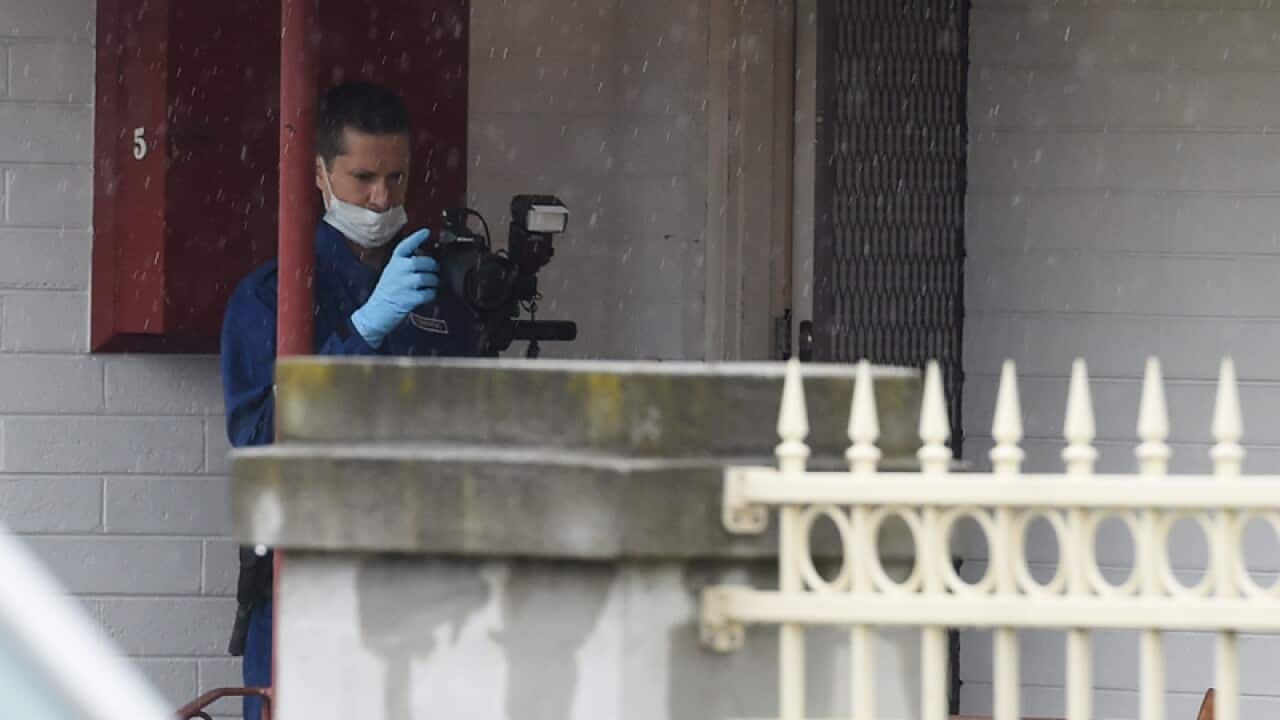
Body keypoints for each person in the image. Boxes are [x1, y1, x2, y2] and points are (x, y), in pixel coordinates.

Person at [219, 81, 477, 720]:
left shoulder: (439, 295)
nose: (381, 198)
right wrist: (362, 331)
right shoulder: (270, 298)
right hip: (307, 592)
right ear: (318, 174)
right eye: (362, 177)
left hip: (426, 594)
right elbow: (262, 445)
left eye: (396, 177)